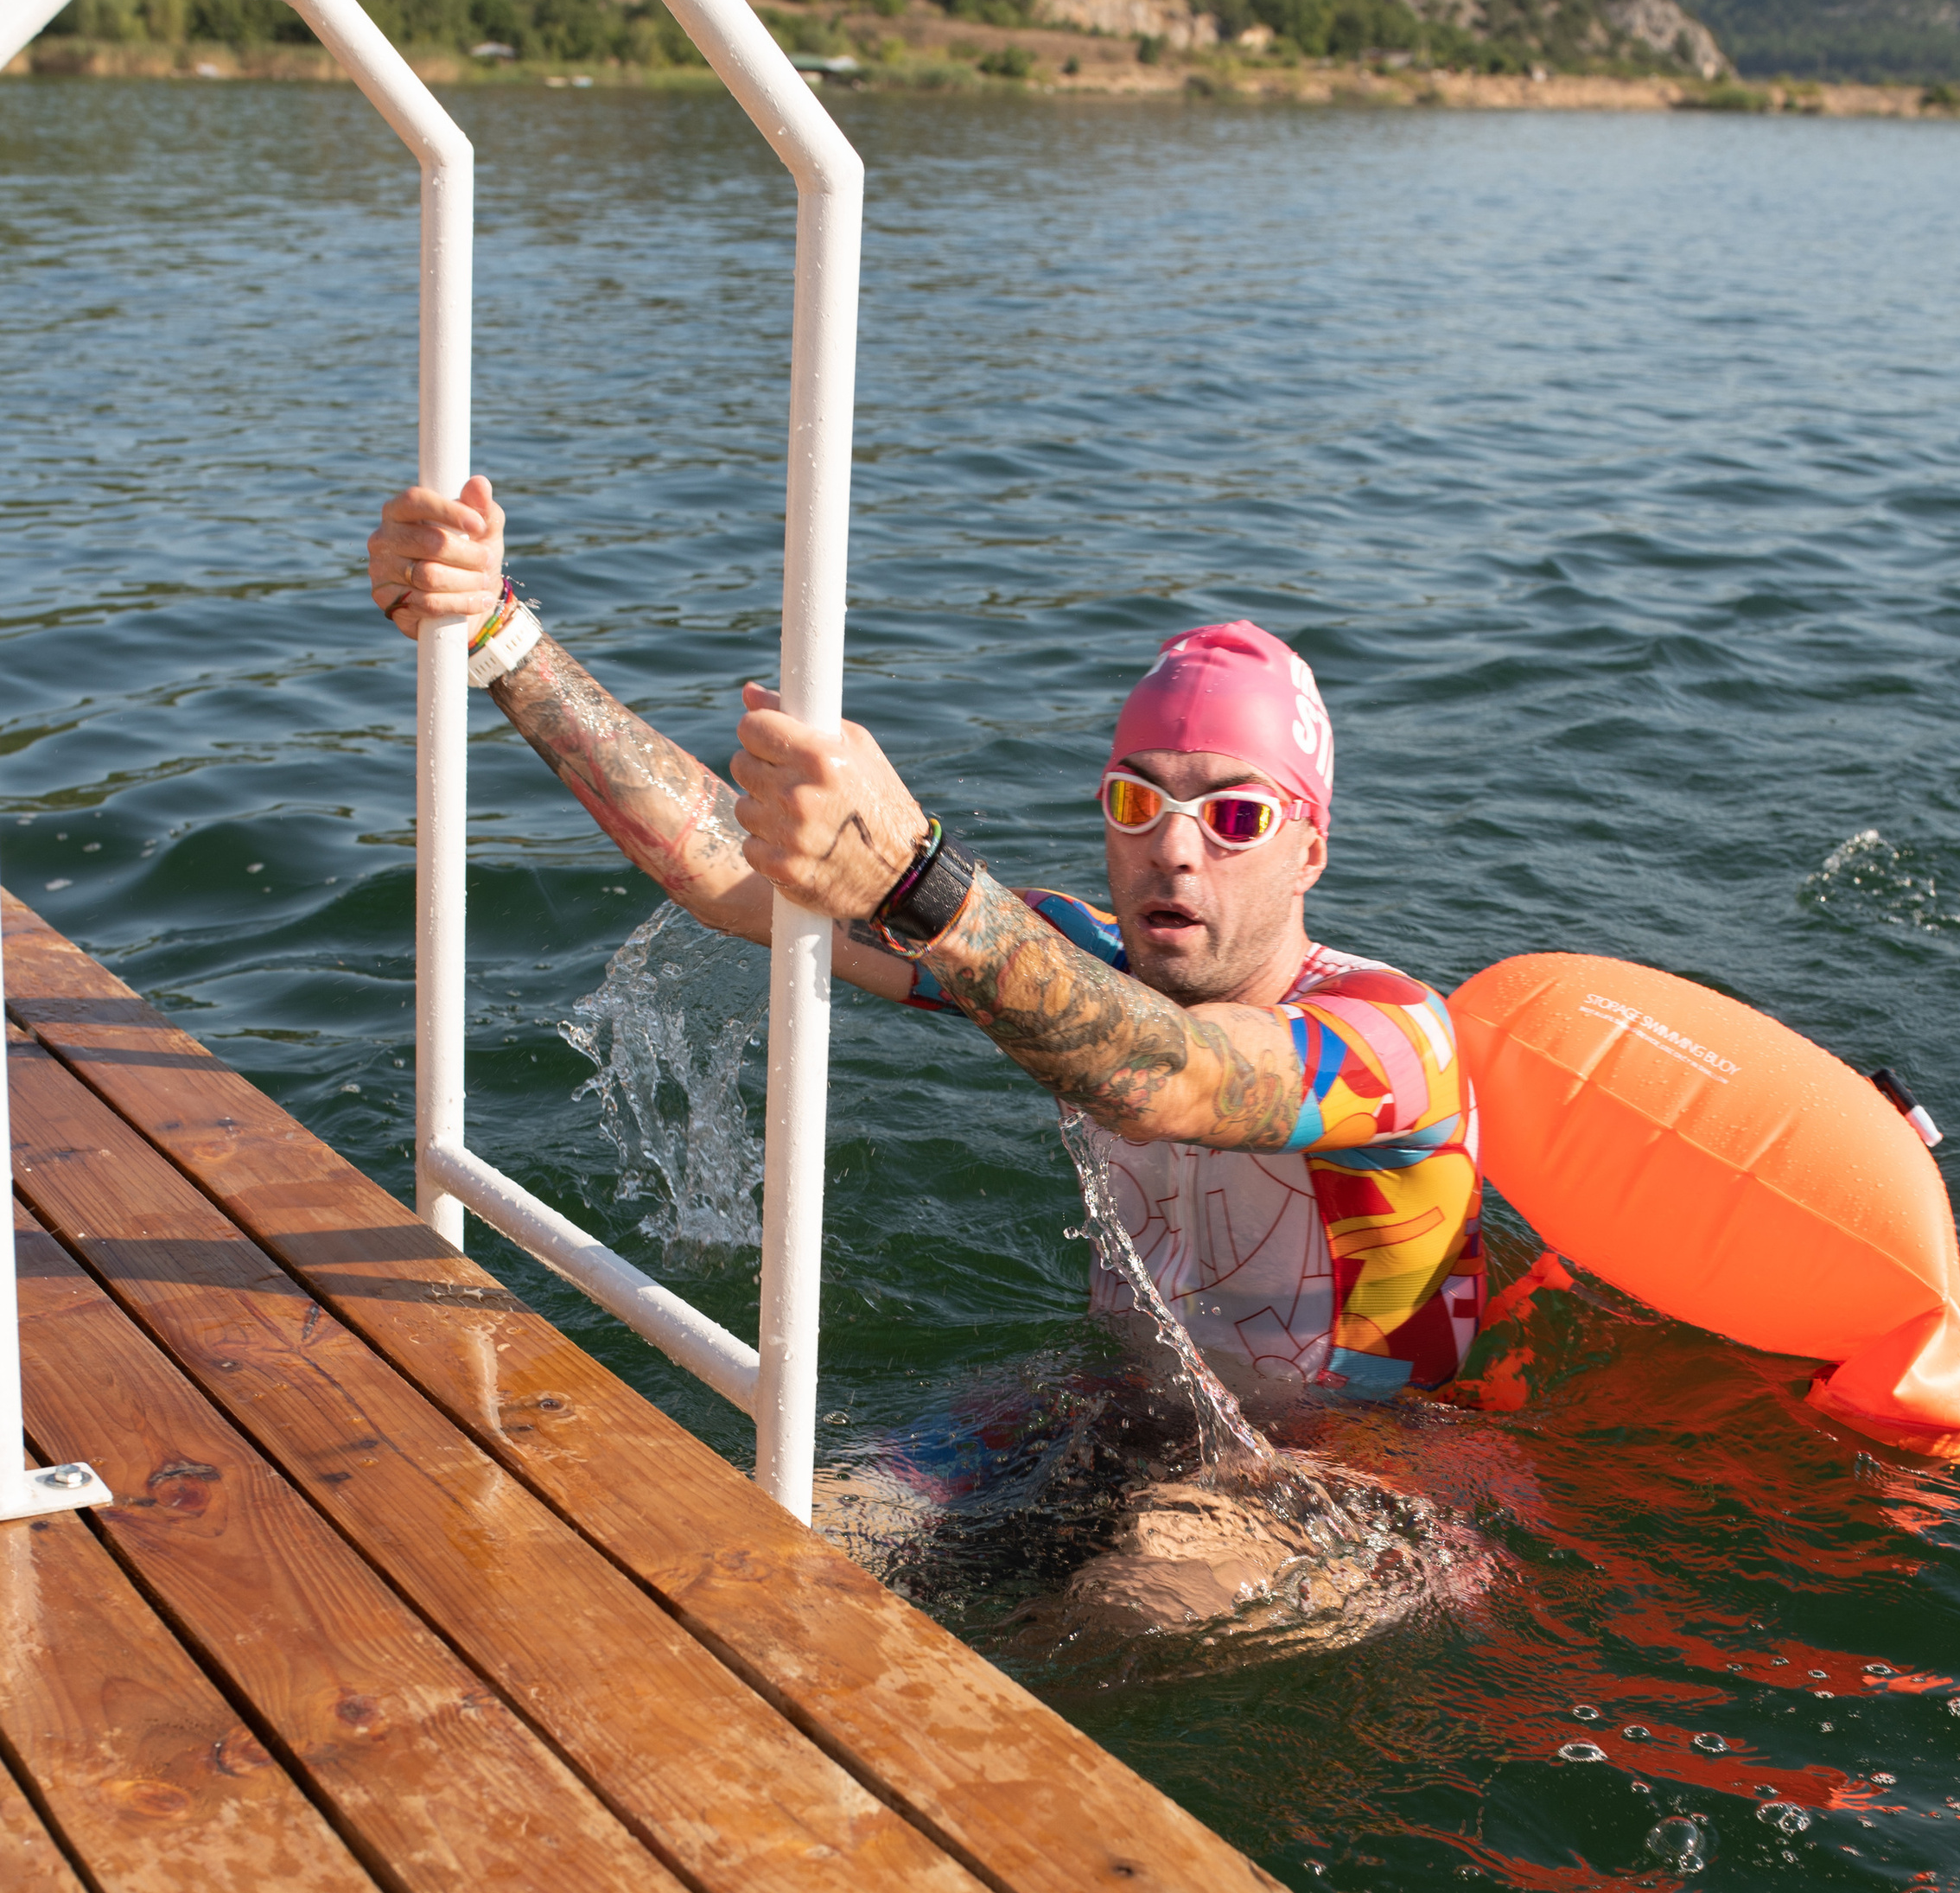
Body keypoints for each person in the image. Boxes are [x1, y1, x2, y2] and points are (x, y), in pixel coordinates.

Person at [366, 476, 1484, 1608]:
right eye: (1137, 805)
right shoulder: (1067, 959)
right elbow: (730, 874)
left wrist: (919, 879)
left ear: (1311, 850)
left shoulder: (1394, 1038)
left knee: (1144, 1590)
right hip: (1124, 1403)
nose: (1177, 851)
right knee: (772, 1532)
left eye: (1238, 817)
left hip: (1362, 1470)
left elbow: (1167, 1075)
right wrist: (500, 637)